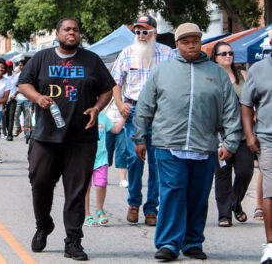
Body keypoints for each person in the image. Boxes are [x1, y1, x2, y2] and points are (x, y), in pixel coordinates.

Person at [134, 23, 241, 262]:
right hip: (168, 145)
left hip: (204, 146)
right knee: (172, 193)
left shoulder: (217, 73)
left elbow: (230, 111)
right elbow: (144, 106)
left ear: (201, 42)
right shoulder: (162, 71)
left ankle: (192, 241)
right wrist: (140, 137)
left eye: (195, 40)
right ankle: (168, 244)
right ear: (177, 44)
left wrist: (231, 142)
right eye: (185, 41)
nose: (191, 45)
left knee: (197, 197)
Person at [18, 18, 114, 260]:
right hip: (46, 137)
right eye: (67, 29)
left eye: (76, 30)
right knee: (39, 183)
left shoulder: (91, 60)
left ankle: (73, 241)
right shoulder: (42, 58)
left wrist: (97, 108)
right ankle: (43, 225)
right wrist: (38, 97)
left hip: (81, 138)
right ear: (58, 33)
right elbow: (23, 84)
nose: (72, 33)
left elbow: (107, 89)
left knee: (76, 191)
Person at [110, 15, 175, 226]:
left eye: (144, 31)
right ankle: (134, 203)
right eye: (137, 31)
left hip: (159, 113)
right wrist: (120, 104)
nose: (140, 35)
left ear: (154, 32)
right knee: (134, 159)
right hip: (134, 111)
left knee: (158, 161)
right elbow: (116, 82)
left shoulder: (167, 54)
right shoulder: (127, 53)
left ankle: (151, 208)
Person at [211, 41, 253, 227]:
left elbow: (252, 98)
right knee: (223, 174)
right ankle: (224, 214)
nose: (228, 56)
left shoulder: (242, 74)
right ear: (215, 57)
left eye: (230, 53)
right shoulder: (211, 76)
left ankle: (235, 202)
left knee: (245, 171)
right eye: (224, 54)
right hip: (221, 134)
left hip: (243, 132)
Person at [240, 30, 272, 264]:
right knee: (271, 190)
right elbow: (247, 103)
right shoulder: (258, 70)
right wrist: (250, 134)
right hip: (268, 137)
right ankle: (271, 246)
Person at [84, 110, 126, 227]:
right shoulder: (82, 116)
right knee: (85, 187)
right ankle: (87, 215)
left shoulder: (103, 117)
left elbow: (116, 130)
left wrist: (124, 117)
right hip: (85, 158)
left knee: (102, 183)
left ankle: (100, 210)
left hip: (101, 158)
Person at [13, 60, 31, 138]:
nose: (20, 67)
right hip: (19, 99)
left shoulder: (30, 74)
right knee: (16, 114)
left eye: (22, 65)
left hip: (27, 99)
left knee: (27, 116)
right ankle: (18, 128)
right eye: (19, 65)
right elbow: (15, 86)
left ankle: (27, 131)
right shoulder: (18, 75)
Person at [3, 60, 17, 141]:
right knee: (6, 117)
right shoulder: (4, 77)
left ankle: (10, 134)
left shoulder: (16, 77)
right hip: (5, 100)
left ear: (11, 67)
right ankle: (6, 131)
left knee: (11, 116)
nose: (8, 69)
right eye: (6, 67)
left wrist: (15, 94)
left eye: (9, 67)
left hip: (13, 100)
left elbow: (19, 87)